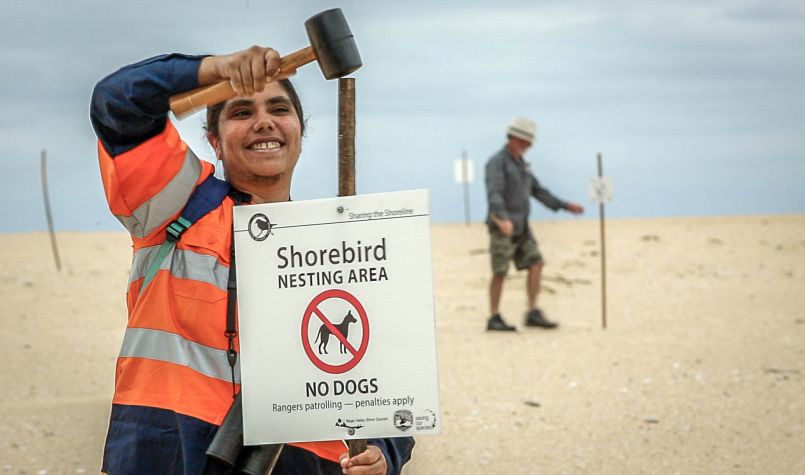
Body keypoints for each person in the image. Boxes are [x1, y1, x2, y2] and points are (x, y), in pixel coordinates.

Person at [90, 46, 413, 474]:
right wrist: (214, 69)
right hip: (169, 448)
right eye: (241, 112)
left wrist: (383, 456)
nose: (264, 121)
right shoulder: (174, 203)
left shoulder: (345, 252)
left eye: (279, 108)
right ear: (214, 142)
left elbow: (390, 391)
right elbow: (117, 103)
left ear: (300, 130)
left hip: (304, 460)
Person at [484, 116, 584, 332]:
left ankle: (532, 311)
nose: (528, 146)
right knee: (499, 271)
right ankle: (493, 317)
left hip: (522, 227)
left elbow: (538, 191)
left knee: (536, 263)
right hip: (502, 226)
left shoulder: (523, 166)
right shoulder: (496, 163)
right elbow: (494, 195)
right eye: (526, 142)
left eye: (530, 143)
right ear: (515, 139)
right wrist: (502, 219)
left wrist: (566, 206)